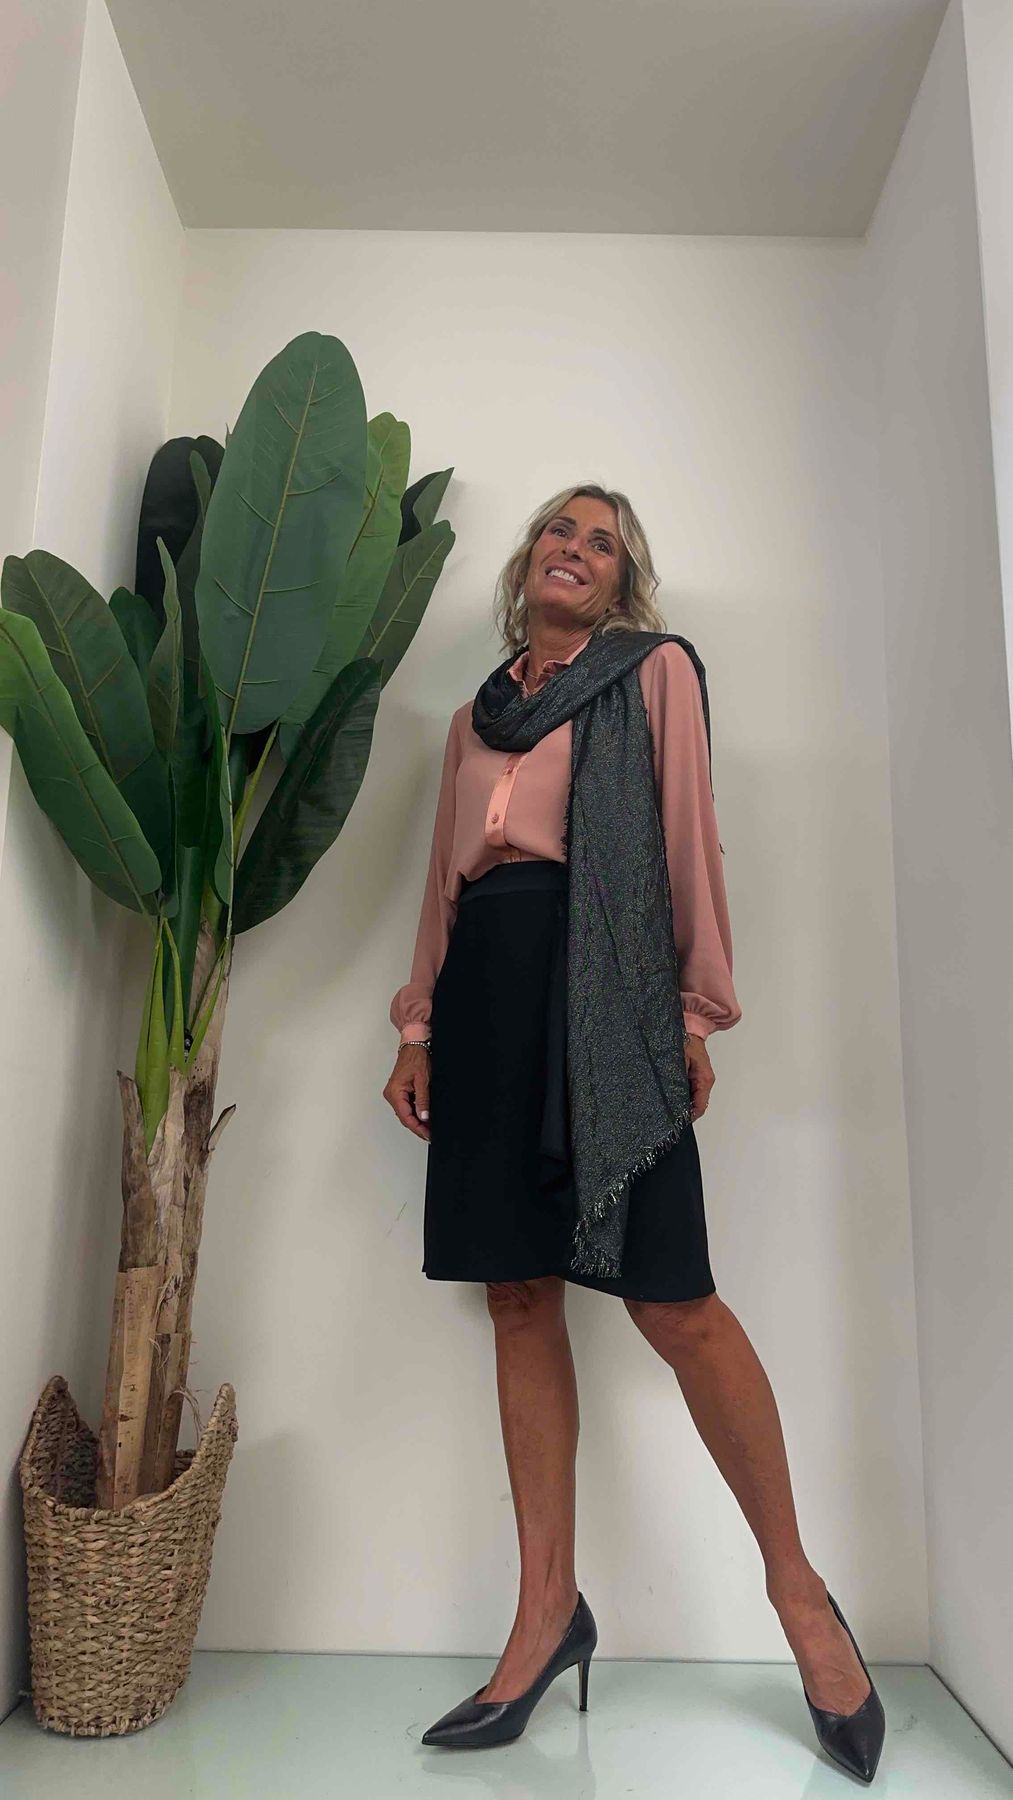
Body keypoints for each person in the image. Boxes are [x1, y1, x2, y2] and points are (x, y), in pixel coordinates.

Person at [382, 485, 886, 1783]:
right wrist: (418, 1023)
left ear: (621, 582)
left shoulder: (650, 676)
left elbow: (686, 842)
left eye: (601, 541)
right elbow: (445, 879)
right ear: (527, 564)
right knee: (516, 1297)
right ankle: (545, 1614)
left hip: (604, 995)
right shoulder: (472, 720)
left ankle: (798, 1595)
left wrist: (693, 1012)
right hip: (488, 999)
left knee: (674, 1301)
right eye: (560, 530)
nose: (575, 547)